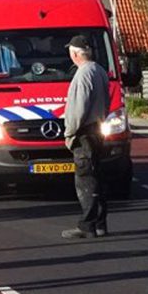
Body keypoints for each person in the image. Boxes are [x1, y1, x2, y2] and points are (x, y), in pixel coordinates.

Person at [61, 37, 112, 240]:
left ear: (75, 54)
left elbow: (78, 108)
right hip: (97, 129)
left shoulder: (82, 75)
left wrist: (69, 132)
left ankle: (87, 225)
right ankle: (100, 223)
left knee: (85, 179)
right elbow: (107, 102)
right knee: (97, 178)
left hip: (84, 133)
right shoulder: (99, 71)